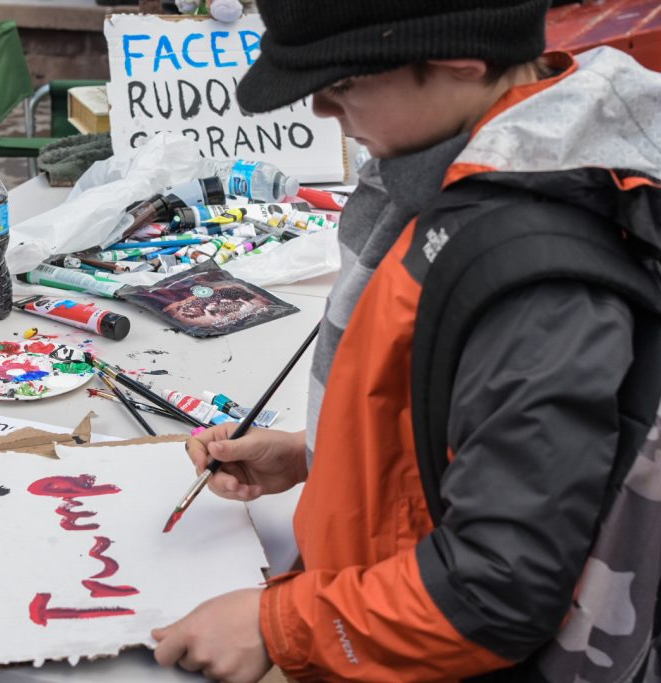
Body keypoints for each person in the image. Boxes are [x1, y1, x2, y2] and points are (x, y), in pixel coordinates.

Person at [151, 0, 661, 681]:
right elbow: (464, 425)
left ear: (459, 61)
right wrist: (324, 452)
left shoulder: (535, 279)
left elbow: (498, 589)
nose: (324, 113)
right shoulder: (449, 175)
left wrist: (278, 625)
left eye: (343, 87)